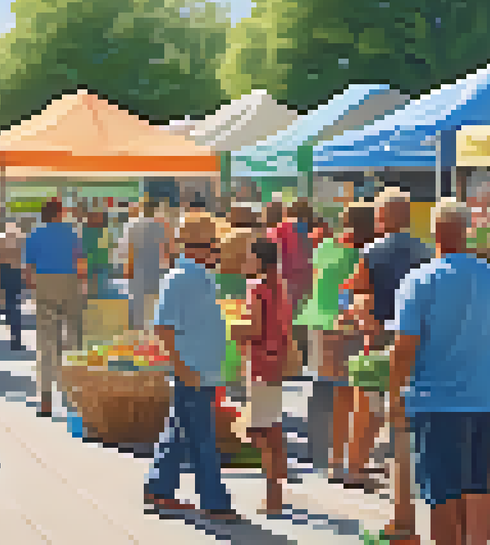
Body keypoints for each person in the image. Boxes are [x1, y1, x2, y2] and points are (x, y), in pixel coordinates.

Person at [386, 199, 490, 545]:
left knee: (441, 490)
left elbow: (405, 346)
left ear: (435, 233)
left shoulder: (419, 280)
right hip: (486, 397)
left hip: (436, 399)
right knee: (477, 488)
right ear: (466, 232)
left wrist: (394, 394)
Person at [143, 218, 242, 522]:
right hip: (194, 369)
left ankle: (159, 487)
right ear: (202, 248)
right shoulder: (181, 278)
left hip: (202, 369)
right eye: (214, 245)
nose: (217, 252)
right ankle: (213, 500)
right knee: (201, 436)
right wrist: (181, 366)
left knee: (181, 430)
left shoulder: (197, 276)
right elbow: (163, 326)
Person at [337, 187, 434, 489]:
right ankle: (405, 466)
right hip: (419, 334)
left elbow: (355, 290)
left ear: (380, 218)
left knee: (366, 402)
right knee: (412, 401)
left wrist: (352, 312)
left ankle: (355, 467)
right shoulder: (427, 251)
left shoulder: (371, 252)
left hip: (380, 333)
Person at [296, 203, 376, 484]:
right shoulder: (364, 254)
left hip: (317, 322)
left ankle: (317, 453)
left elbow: (318, 280)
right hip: (345, 325)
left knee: (320, 390)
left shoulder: (324, 248)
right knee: (346, 395)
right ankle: (338, 460)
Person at [231, 238, 291, 517]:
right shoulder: (281, 286)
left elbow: (254, 328)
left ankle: (274, 499)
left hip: (260, 364)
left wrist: (228, 328)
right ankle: (278, 486)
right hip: (276, 361)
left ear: (260, 260)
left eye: (249, 256)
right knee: (271, 428)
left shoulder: (256, 288)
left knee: (264, 433)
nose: (246, 261)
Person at [24, 199, 87, 418]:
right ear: (59, 213)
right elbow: (81, 264)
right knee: (73, 338)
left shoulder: (34, 234)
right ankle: (74, 398)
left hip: (44, 283)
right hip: (69, 282)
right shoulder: (72, 233)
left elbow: (28, 269)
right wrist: (82, 286)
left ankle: (46, 401)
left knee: (46, 342)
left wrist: (35, 289)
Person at [125, 201, 171, 331]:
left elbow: (131, 249)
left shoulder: (134, 225)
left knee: (138, 301)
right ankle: (155, 327)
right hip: (156, 267)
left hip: (139, 267)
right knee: (157, 300)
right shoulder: (159, 226)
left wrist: (129, 268)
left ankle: (136, 328)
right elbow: (166, 248)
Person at [0, 215, 27, 350]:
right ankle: (16, 337)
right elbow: (25, 260)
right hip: (16, 272)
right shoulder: (21, 239)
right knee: (15, 305)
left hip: (4, 271)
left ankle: (13, 333)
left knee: (9, 306)